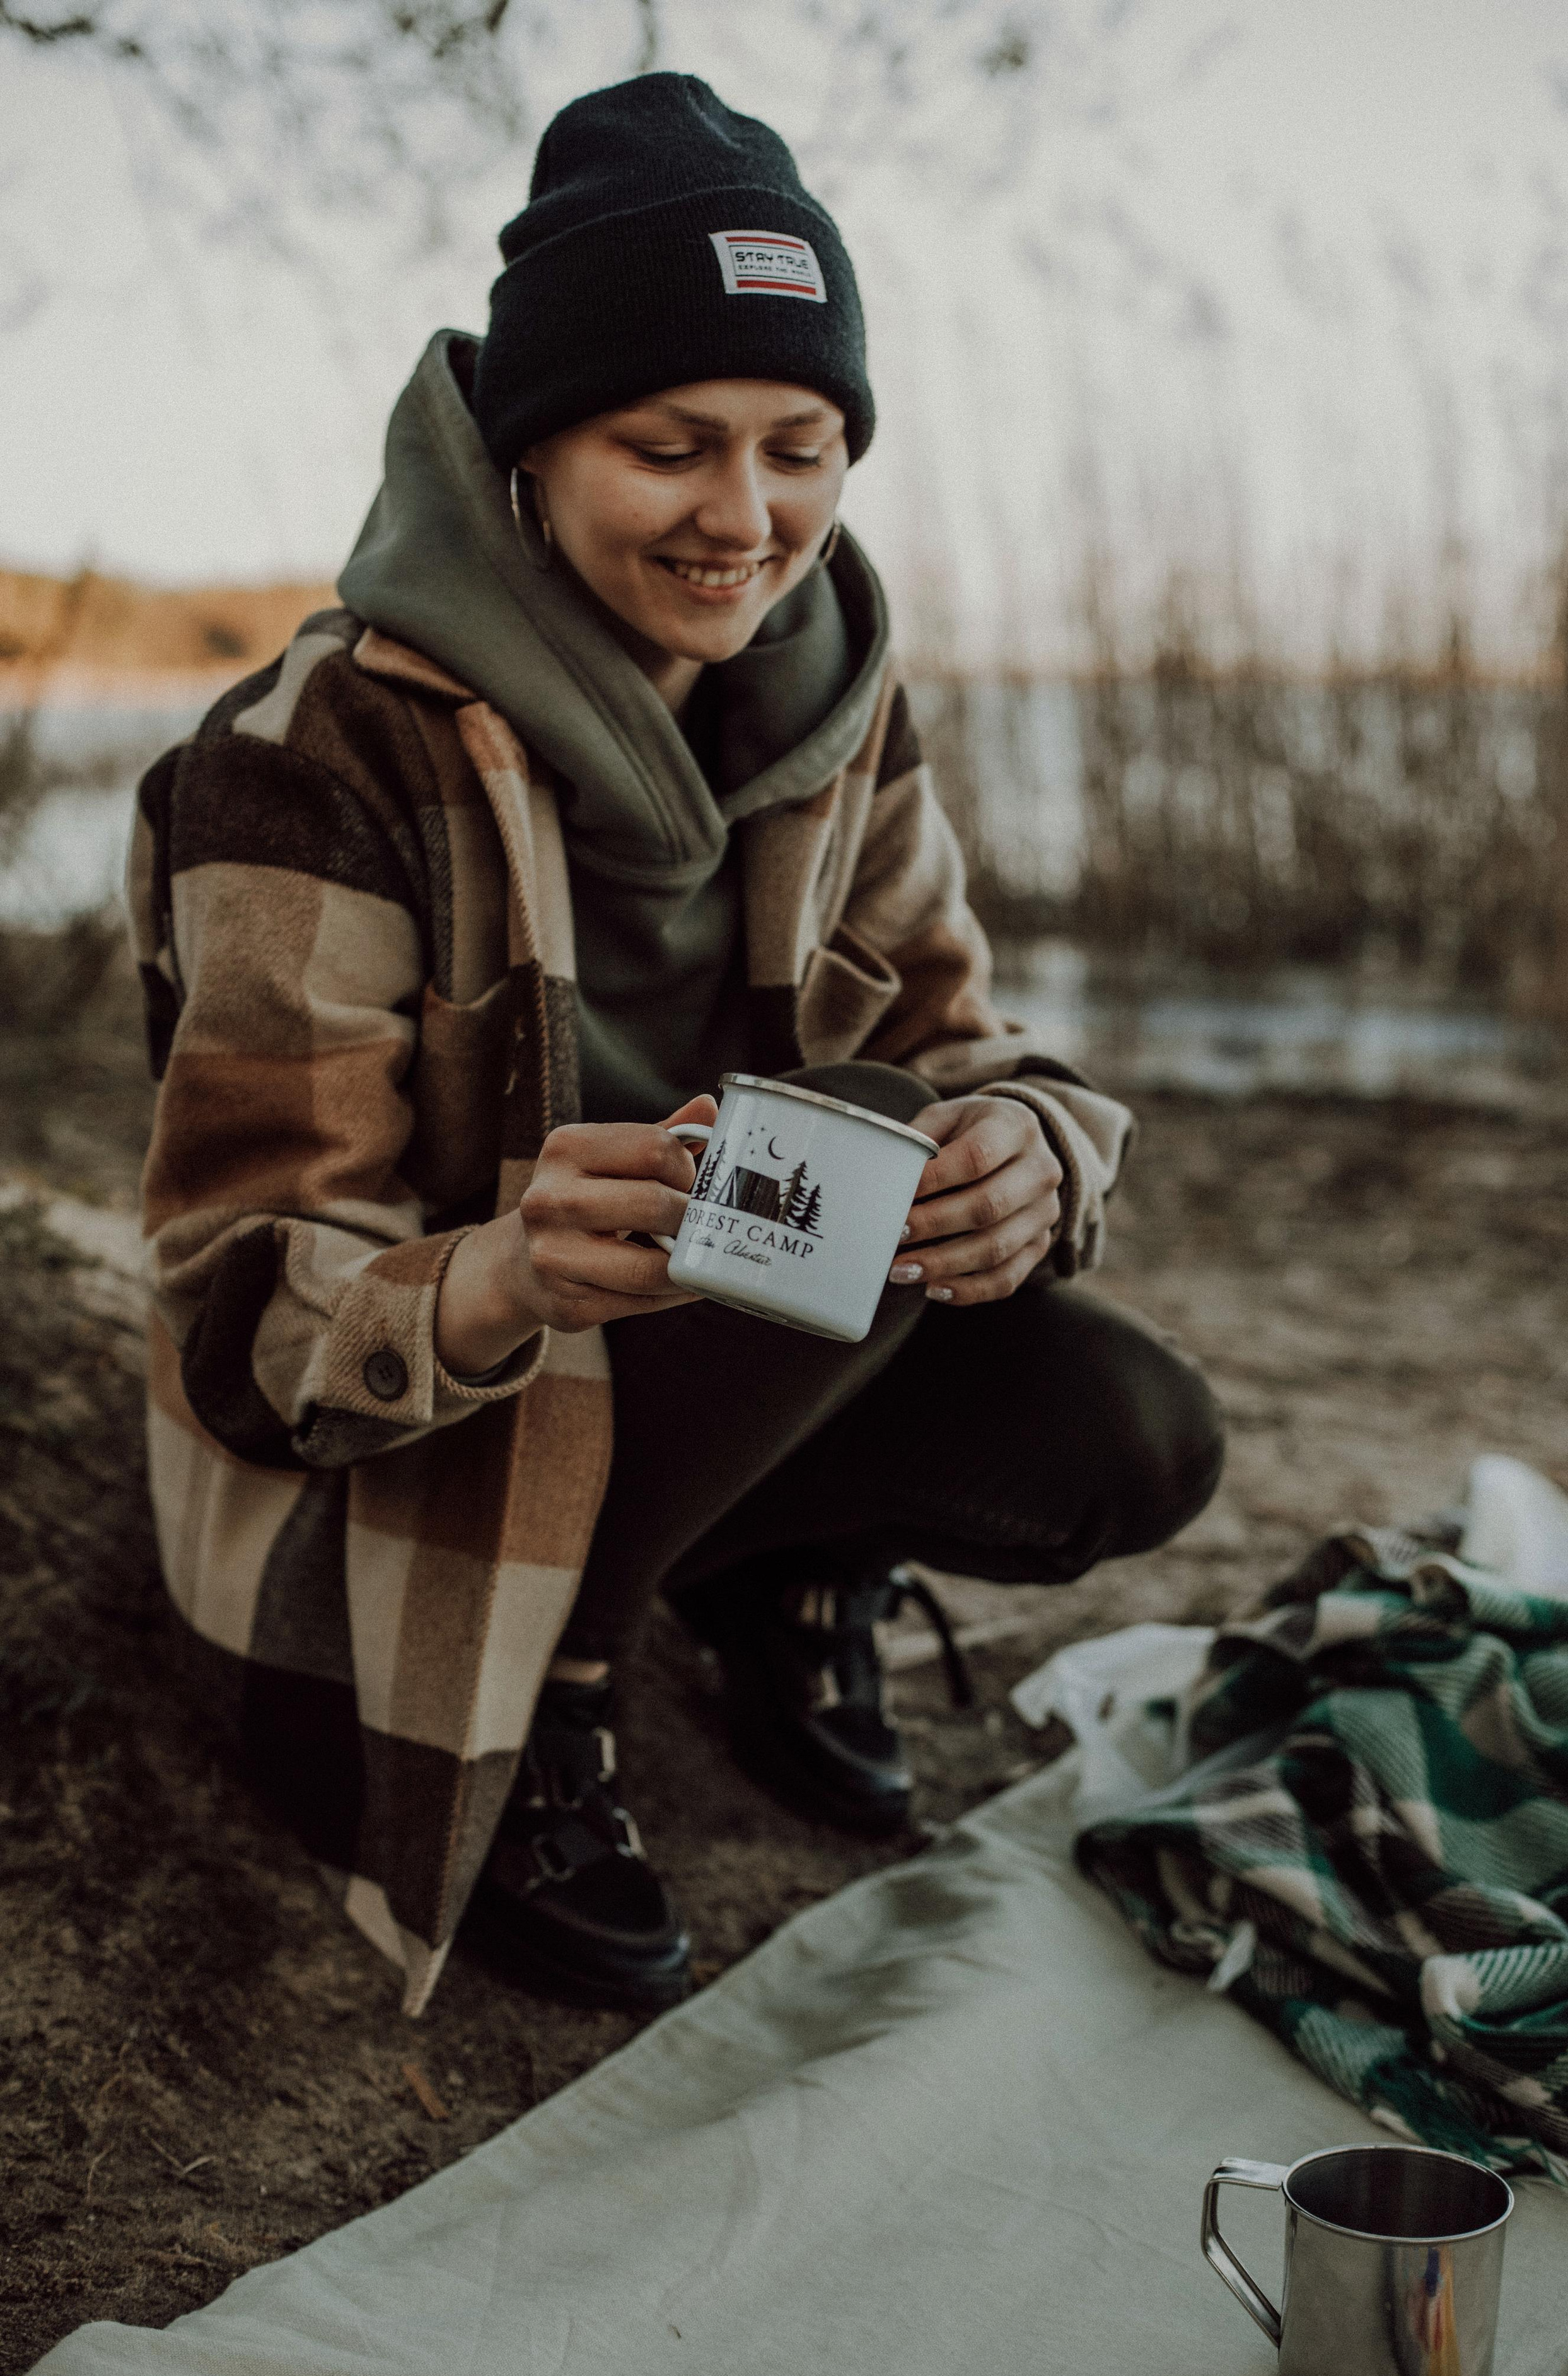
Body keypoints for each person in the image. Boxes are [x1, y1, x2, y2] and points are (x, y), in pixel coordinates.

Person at [129, 73, 1223, 2019]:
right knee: (846, 1152)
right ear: (535, 449)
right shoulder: (308, 759)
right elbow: (241, 1326)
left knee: (1127, 1438)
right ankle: (544, 1683)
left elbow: (963, 1046)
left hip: (718, 1369)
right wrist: (500, 1275)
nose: (749, 519)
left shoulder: (837, 707)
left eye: (804, 446)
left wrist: (1042, 1149)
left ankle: (735, 1575)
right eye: (674, 445)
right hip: (412, 1464)